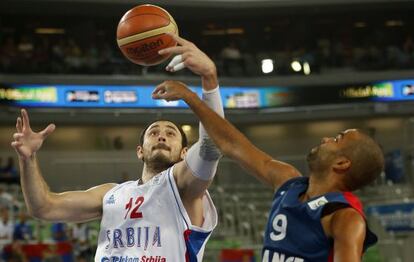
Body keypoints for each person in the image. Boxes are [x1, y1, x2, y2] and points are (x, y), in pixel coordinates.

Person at [10, 35, 224, 262]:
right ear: (140, 150)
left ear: (184, 153)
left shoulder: (184, 188)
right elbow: (44, 207)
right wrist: (28, 158)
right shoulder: (111, 194)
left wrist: (209, 78)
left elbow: (212, 146)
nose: (161, 135)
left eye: (171, 133)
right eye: (154, 132)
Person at [151, 80, 385, 262]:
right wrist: (192, 95)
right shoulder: (288, 181)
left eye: (337, 139)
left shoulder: (345, 217)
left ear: (342, 164)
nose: (326, 138)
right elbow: (230, 143)